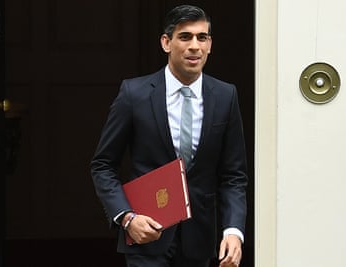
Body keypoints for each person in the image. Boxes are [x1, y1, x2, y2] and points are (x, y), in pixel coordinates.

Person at [90, 4, 248, 267]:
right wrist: (127, 218)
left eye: (202, 37)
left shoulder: (225, 96)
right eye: (185, 37)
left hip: (200, 241)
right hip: (146, 235)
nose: (194, 46)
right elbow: (102, 165)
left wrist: (233, 231)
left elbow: (234, 176)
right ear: (166, 42)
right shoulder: (134, 94)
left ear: (210, 45)